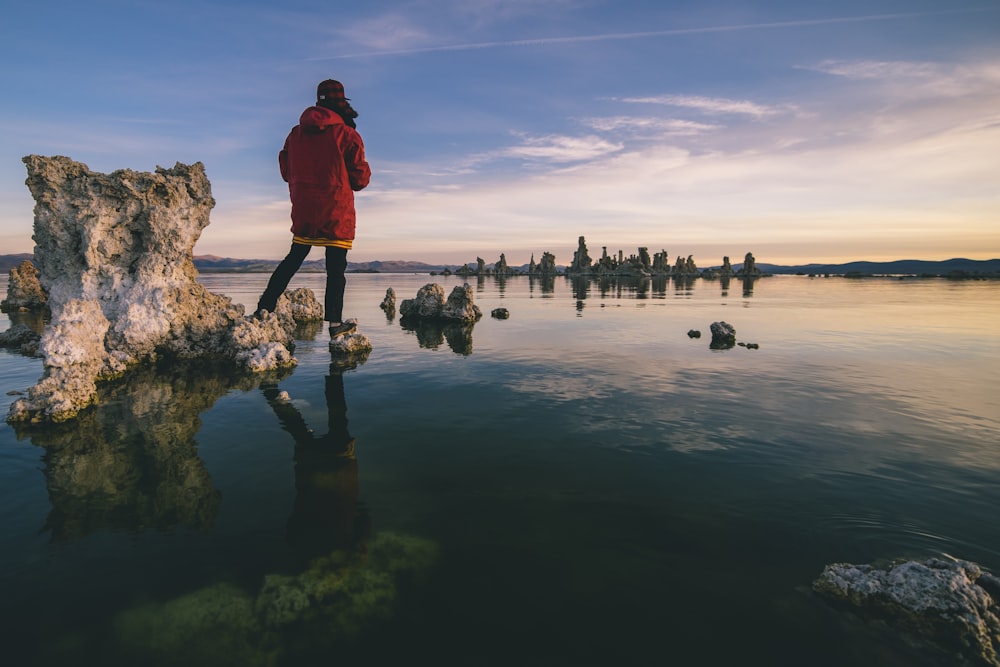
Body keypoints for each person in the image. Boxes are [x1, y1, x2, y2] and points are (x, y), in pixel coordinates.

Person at [256, 79, 372, 338]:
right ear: (341, 104)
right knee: (336, 269)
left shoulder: (296, 133)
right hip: (336, 207)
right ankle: (334, 325)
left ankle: (263, 308)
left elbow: (285, 169)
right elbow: (360, 179)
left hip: (305, 206)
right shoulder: (346, 134)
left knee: (293, 258)